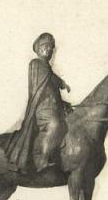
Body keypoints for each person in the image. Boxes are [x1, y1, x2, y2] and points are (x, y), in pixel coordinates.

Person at [5, 32, 71, 173]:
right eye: (46, 47)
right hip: (42, 110)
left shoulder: (47, 69)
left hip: (52, 108)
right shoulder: (36, 64)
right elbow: (42, 85)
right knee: (55, 125)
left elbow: (51, 83)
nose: (49, 50)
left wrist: (62, 94)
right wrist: (60, 83)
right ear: (39, 48)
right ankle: (43, 160)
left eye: (51, 48)